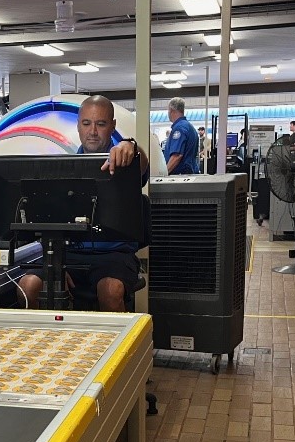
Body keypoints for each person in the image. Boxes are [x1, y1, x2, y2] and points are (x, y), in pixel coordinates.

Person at [17, 94, 148, 312]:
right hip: (69, 254)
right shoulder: (63, 169)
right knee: (28, 286)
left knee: (110, 290)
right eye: (87, 124)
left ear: (112, 126)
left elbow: (142, 165)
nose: (93, 131)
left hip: (114, 257)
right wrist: (57, 264)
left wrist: (132, 146)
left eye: (101, 124)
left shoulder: (126, 162)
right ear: (78, 126)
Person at [162, 97, 199, 175]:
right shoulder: (189, 127)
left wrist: (164, 175)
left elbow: (177, 156)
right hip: (189, 174)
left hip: (180, 177)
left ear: (171, 110)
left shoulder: (179, 128)